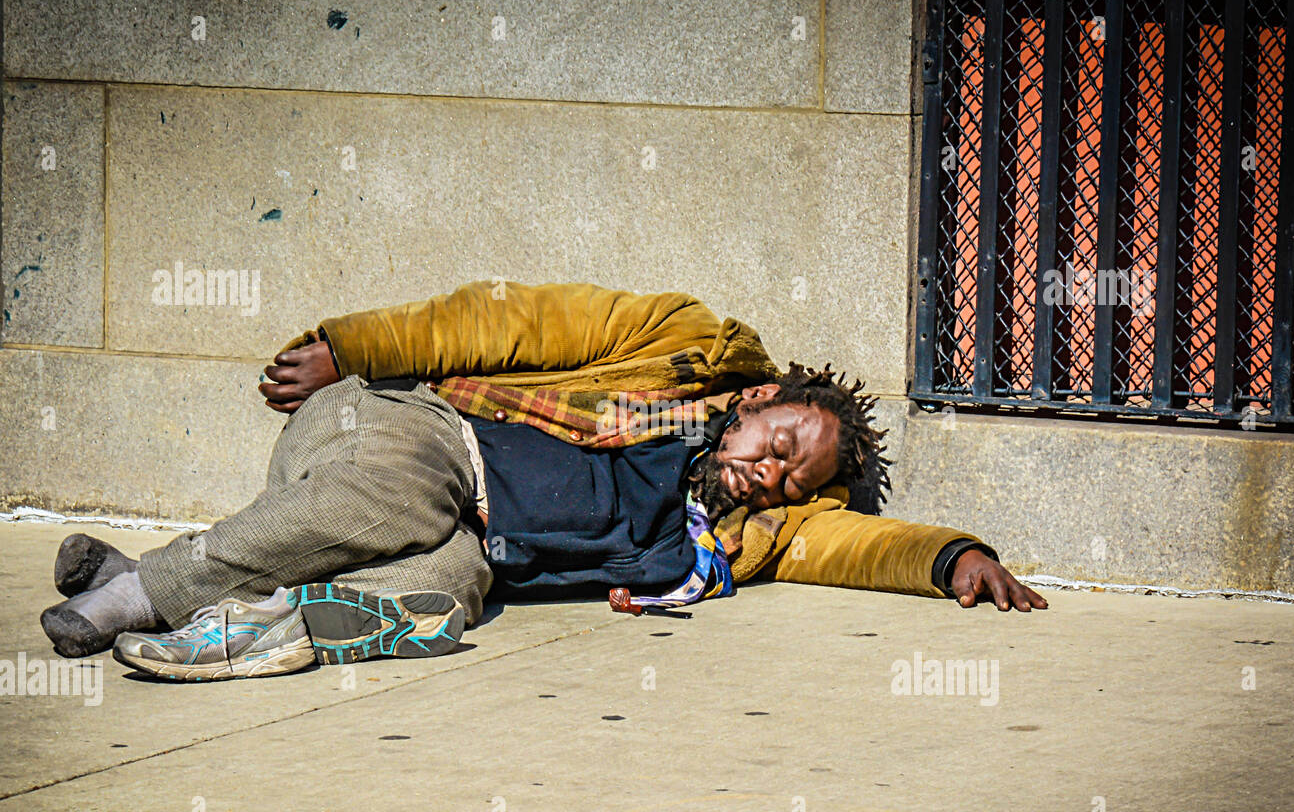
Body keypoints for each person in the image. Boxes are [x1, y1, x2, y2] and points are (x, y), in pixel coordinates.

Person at [40, 280, 1047, 681]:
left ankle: (240, 631)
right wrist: (351, 346)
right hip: (418, 428)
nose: (771, 470)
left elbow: (858, 543)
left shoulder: (746, 528)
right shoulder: (683, 345)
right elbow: (507, 320)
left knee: (437, 597)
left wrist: (951, 555)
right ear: (762, 392)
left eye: (792, 477)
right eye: (781, 436)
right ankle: (135, 594)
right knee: (382, 504)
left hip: (476, 538)